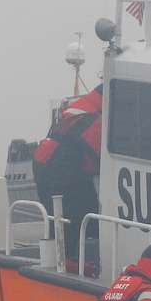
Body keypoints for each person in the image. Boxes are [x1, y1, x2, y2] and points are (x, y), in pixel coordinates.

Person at [32, 84, 103, 269]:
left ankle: (64, 257)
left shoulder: (81, 109)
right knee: (76, 214)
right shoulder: (91, 119)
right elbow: (104, 155)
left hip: (51, 164)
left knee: (68, 216)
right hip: (61, 171)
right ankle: (70, 262)